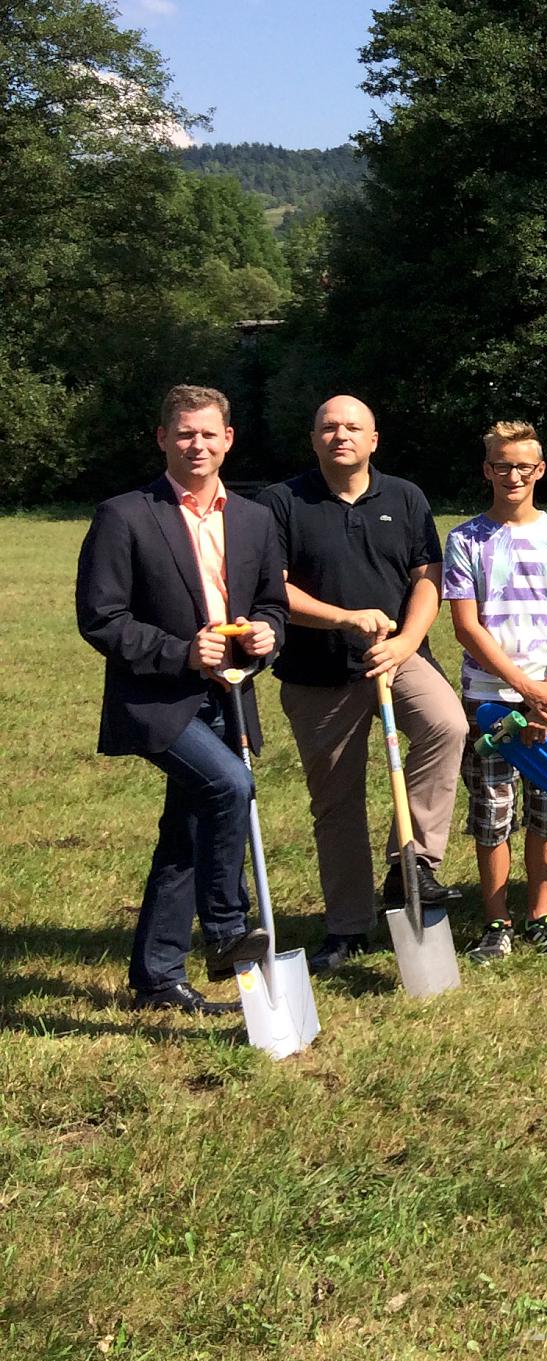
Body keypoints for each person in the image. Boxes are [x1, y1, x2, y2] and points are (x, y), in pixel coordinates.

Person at [75, 385, 287, 1013]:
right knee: (228, 788)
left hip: (230, 698)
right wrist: (182, 652)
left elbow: (272, 602)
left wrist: (267, 636)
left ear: (229, 439)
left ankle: (157, 978)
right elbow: (102, 618)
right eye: (184, 434)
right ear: (163, 439)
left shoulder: (254, 517)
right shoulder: (124, 514)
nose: (197, 445)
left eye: (209, 434)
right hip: (158, 700)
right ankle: (226, 928)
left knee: (187, 832)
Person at [264, 395, 468, 975]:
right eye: (328, 427)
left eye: (353, 426)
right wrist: (343, 617)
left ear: (373, 439)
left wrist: (406, 641)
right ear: (314, 439)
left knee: (446, 725)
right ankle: (348, 927)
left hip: (398, 657)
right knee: (337, 803)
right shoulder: (282, 502)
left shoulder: (405, 497)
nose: (340, 435)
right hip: (318, 673)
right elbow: (274, 589)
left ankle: (414, 868)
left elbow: (428, 578)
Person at [441, 420, 547, 963]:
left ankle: (541, 916)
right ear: (487, 470)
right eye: (502, 465)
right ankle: (496, 921)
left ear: (540, 470)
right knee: (493, 810)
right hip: (490, 699)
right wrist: (521, 685)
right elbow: (466, 626)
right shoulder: (465, 539)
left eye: (523, 465)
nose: (513, 475)